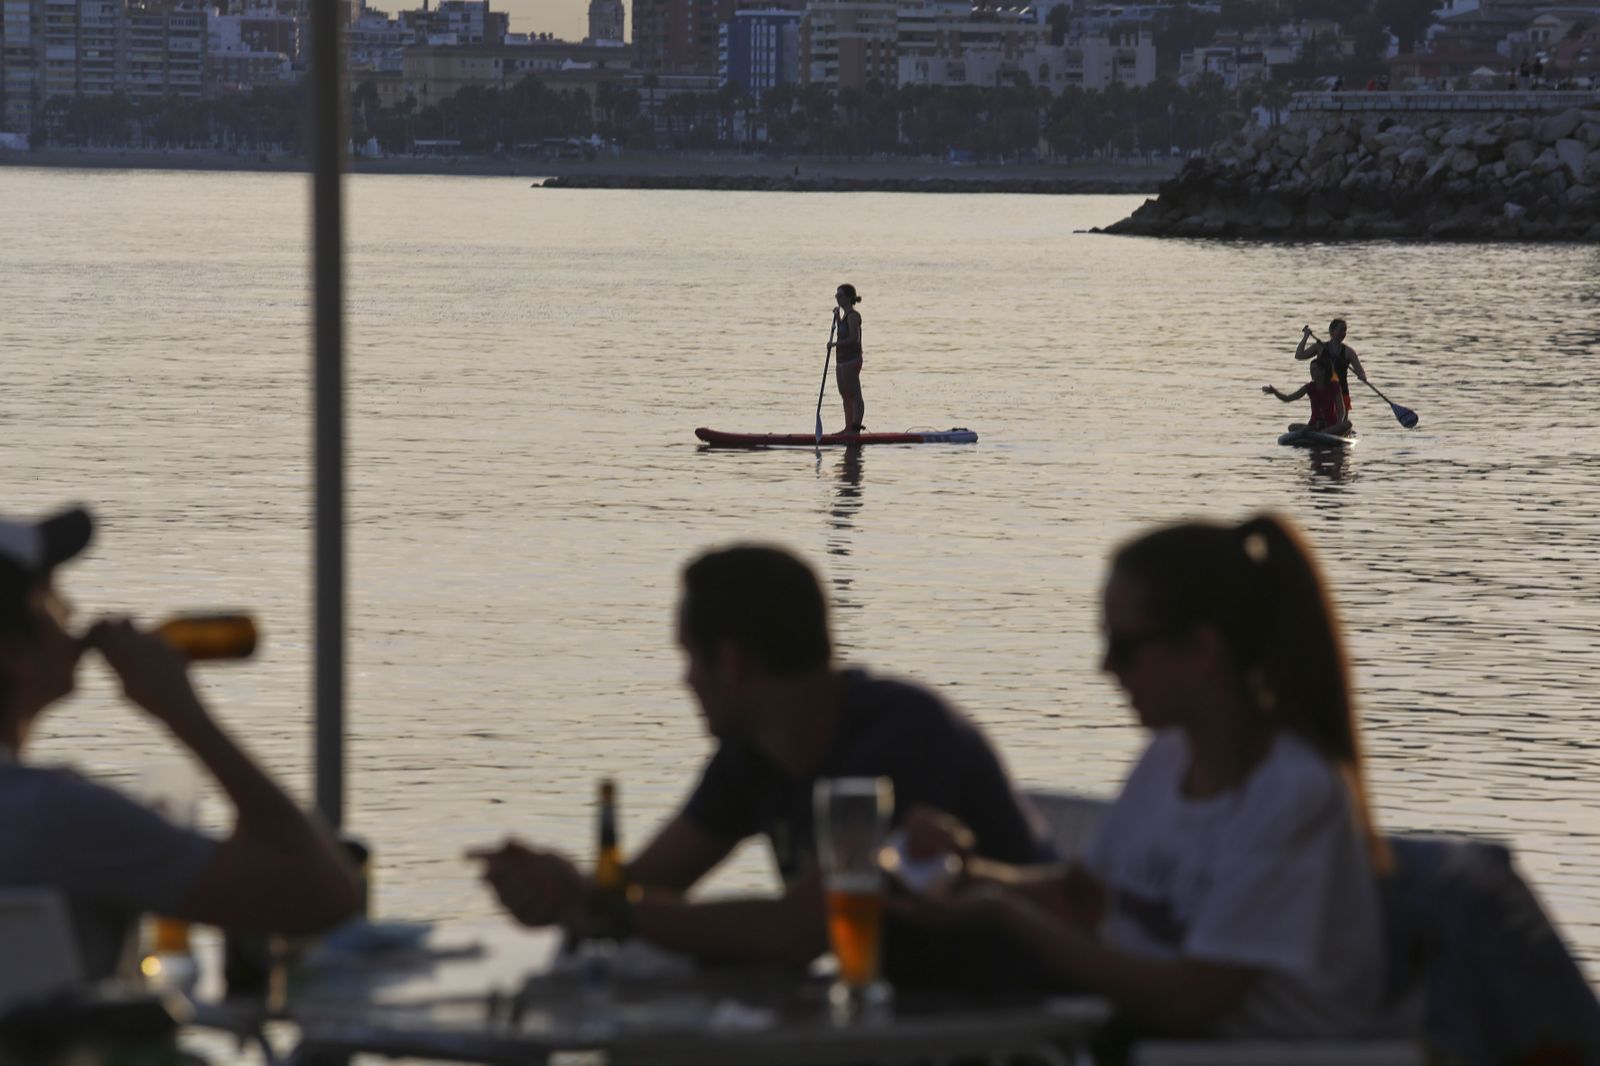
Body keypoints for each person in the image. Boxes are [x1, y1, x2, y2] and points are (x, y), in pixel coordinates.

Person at [894, 514, 1392, 1040]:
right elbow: (1082, 900)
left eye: (1125, 647)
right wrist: (961, 872)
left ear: (1202, 649)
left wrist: (1001, 911)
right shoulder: (1168, 758)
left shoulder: (1294, 792)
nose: (1106, 668)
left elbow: (1187, 1000)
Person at [473, 544, 1054, 990]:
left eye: (689, 658)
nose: (686, 682)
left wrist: (604, 907)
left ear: (731, 662)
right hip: (886, 1022)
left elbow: (799, 931)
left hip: (1016, 1025)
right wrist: (568, 894)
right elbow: (642, 889)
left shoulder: (899, 738)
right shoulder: (751, 756)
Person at [0, 506, 361, 979]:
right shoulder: (58, 817)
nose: (72, 614)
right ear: (13, 653)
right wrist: (183, 712)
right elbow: (323, 893)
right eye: (52, 597)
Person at [1295, 319, 1366, 425]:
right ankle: (1321, 429)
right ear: (1331, 331)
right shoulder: (1320, 347)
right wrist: (1305, 336)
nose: (1343, 333)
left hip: (1341, 392)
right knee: (1322, 420)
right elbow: (1299, 355)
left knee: (1341, 422)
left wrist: (1362, 376)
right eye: (1341, 330)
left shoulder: (1348, 352)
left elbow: (1360, 371)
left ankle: (1339, 430)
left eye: (1345, 331)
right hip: (1323, 390)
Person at [1262, 356, 1351, 436]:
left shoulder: (1334, 386)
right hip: (1314, 425)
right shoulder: (1309, 387)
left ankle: (1320, 433)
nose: (1312, 372)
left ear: (1322, 371)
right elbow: (1288, 398)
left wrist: (1338, 424)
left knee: (1347, 424)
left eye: (1314, 370)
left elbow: (1341, 409)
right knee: (1292, 427)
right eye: (1310, 370)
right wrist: (1275, 392)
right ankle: (1316, 432)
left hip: (1331, 425)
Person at [829, 284, 866, 434]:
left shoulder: (853, 316)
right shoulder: (844, 317)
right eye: (836, 296)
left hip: (852, 359)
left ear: (849, 298)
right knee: (845, 394)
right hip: (841, 360)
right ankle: (848, 428)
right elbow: (842, 332)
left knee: (854, 393)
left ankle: (855, 428)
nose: (837, 298)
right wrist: (837, 317)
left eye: (840, 296)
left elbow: (853, 338)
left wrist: (834, 344)